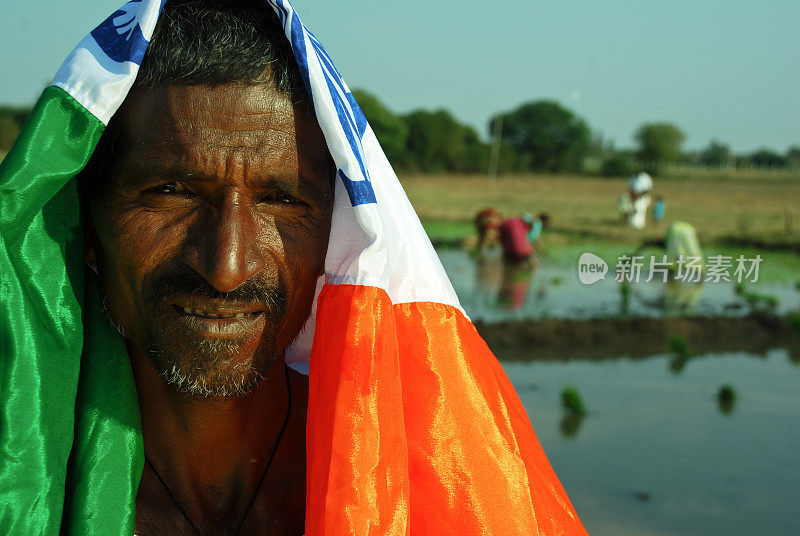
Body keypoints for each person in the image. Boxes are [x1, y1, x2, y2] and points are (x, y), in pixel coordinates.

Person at [0, 1, 588, 535]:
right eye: (173, 191)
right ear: (86, 230)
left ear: (338, 238)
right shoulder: (23, 476)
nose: (227, 268)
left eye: (281, 201)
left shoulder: (429, 479)